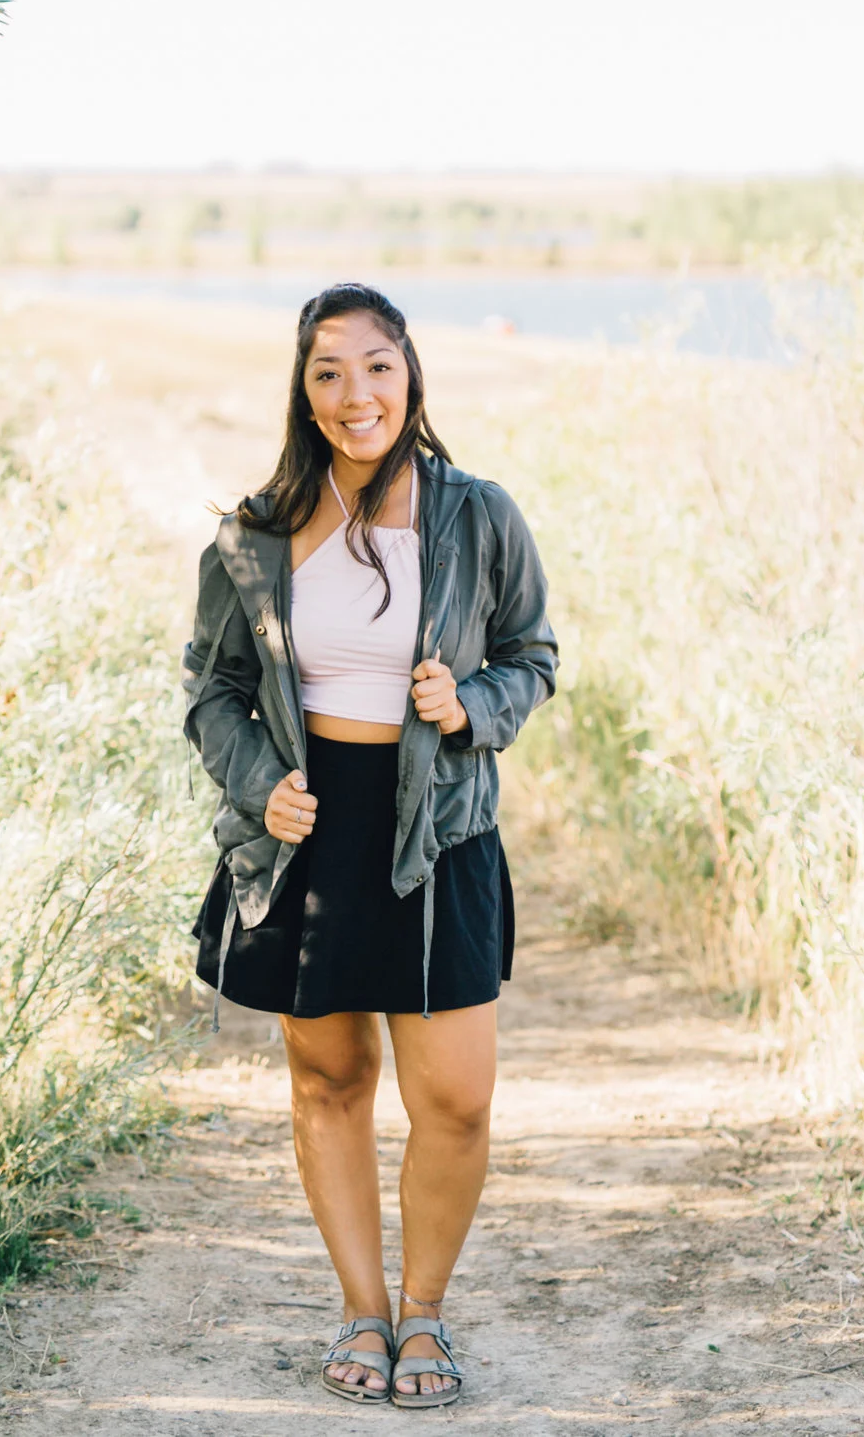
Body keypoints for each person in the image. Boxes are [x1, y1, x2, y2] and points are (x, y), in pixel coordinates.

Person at [182, 282, 557, 1408]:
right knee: (331, 1078)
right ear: (304, 392)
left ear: (410, 374)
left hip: (436, 825)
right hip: (309, 826)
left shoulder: (478, 513)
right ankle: (364, 1309)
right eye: (329, 371)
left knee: (457, 1098)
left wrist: (469, 704)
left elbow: (532, 655)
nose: (357, 393)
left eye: (377, 365)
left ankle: (426, 1312)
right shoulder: (254, 533)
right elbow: (214, 693)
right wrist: (261, 786)